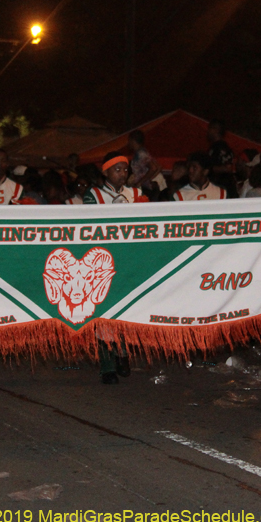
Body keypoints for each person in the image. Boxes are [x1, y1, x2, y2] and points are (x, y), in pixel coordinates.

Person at [83, 152, 143, 383]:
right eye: (117, 170)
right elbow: (89, 226)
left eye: (125, 169)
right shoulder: (94, 195)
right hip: (103, 261)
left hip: (129, 259)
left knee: (127, 309)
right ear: (105, 172)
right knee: (104, 313)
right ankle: (107, 365)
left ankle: (123, 352)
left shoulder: (135, 194)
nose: (122, 174)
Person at [126, 130, 165, 199]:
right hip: (148, 187)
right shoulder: (142, 152)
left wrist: (140, 182)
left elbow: (153, 168)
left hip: (146, 189)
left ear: (132, 140)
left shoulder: (141, 154)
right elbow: (158, 166)